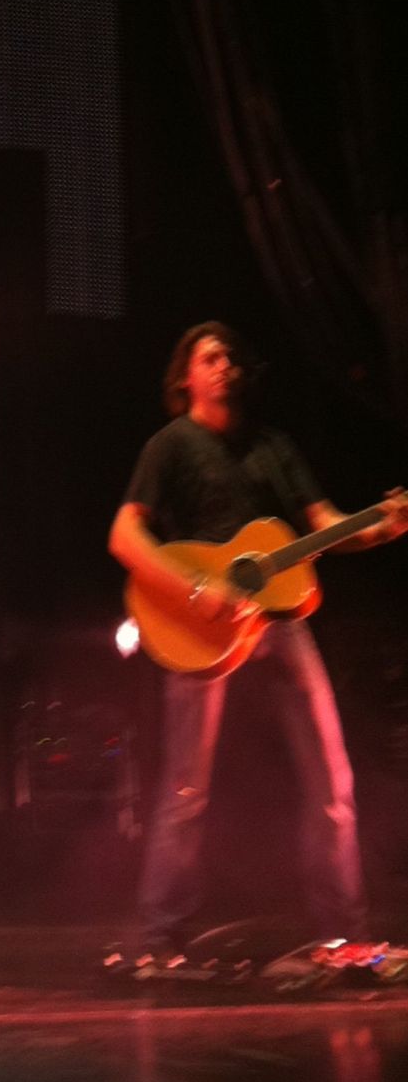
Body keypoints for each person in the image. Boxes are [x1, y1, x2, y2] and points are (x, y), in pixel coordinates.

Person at [109, 321, 408, 964]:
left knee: (333, 780)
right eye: (208, 357)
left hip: (279, 622)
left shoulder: (272, 447)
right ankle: (162, 938)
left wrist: (382, 527)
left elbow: (324, 525)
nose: (223, 366)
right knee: (185, 790)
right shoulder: (170, 446)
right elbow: (126, 538)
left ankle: (343, 934)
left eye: (230, 357)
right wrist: (196, 590)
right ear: (184, 376)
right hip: (202, 628)